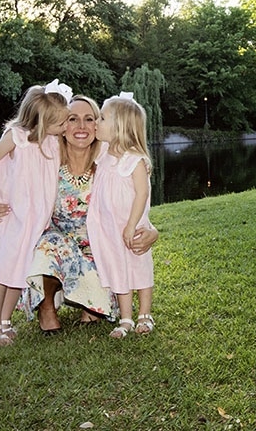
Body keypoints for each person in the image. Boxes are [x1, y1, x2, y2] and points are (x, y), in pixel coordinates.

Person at [16, 94, 159, 333]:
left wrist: (151, 231)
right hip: (58, 240)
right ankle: (47, 306)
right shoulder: (49, 158)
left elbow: (135, 197)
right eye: (72, 119)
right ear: (62, 125)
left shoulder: (108, 156)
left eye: (90, 119)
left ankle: (92, 303)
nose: (81, 127)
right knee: (47, 248)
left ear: (98, 125)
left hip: (101, 245)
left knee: (106, 290)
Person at [0, 79, 73, 347]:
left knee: (19, 273)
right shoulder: (16, 137)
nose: (65, 127)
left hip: (34, 221)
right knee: (3, 271)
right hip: (13, 217)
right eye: (61, 123)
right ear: (41, 122)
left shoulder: (52, 143)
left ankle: (6, 321)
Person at [87, 91, 156, 338]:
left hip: (132, 225)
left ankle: (144, 314)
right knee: (119, 270)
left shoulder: (135, 161)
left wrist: (132, 224)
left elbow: (141, 194)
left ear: (120, 127)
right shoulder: (103, 154)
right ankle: (125, 318)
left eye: (102, 119)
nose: (97, 123)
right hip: (109, 227)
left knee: (139, 266)